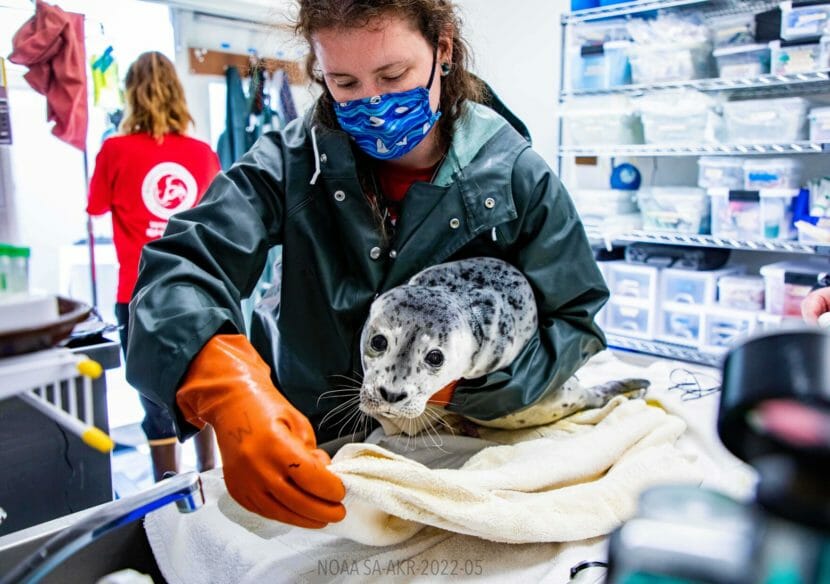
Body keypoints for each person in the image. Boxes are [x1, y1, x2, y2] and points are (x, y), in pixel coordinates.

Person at [126, 0, 609, 528]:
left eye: (393, 74)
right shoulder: (288, 164)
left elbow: (575, 320)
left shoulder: (518, 180)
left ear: (441, 49)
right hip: (317, 447)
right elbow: (182, 264)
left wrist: (461, 384)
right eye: (345, 82)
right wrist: (226, 387)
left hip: (459, 457)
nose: (373, 103)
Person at [87, 51, 221, 482]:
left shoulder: (114, 150)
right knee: (202, 390)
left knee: (155, 398)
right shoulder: (202, 154)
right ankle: (210, 483)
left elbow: (95, 207)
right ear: (178, 93)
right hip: (197, 295)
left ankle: (168, 501)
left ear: (131, 95)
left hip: (138, 295)